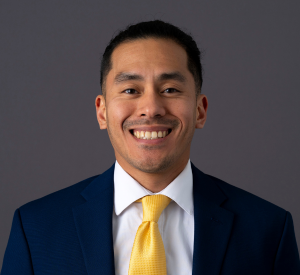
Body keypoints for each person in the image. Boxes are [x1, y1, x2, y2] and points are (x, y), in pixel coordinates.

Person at [1, 20, 299, 275]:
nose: (151, 108)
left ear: (200, 110)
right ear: (102, 112)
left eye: (170, 89)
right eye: (130, 90)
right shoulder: (36, 228)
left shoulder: (268, 230)